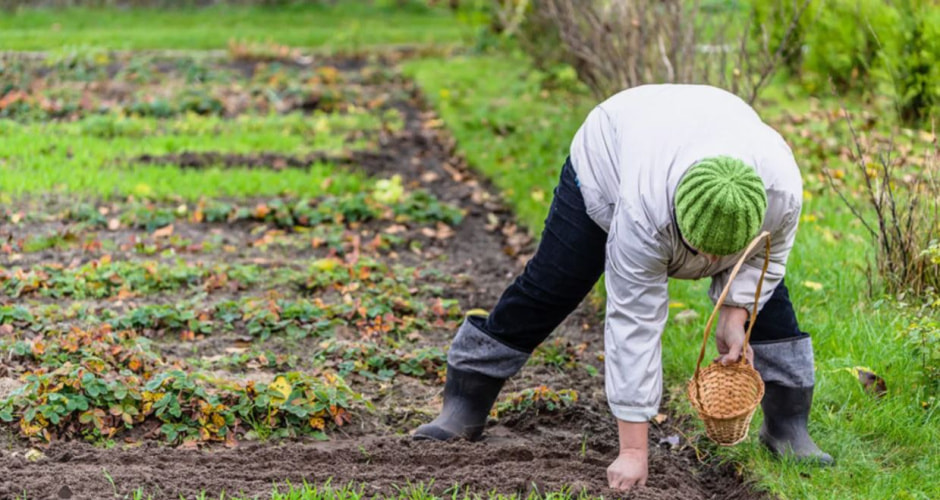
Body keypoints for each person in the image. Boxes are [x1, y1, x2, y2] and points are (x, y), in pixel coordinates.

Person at [412, 84, 833, 490]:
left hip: (701, 127)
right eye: (699, 251)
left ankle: (787, 427)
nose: (707, 265)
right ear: (676, 219)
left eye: (719, 256)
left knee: (769, 299)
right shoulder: (642, 208)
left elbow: (767, 258)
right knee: (554, 284)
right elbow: (635, 321)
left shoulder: (780, 190)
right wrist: (633, 450)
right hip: (612, 153)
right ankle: (469, 391)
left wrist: (736, 310)